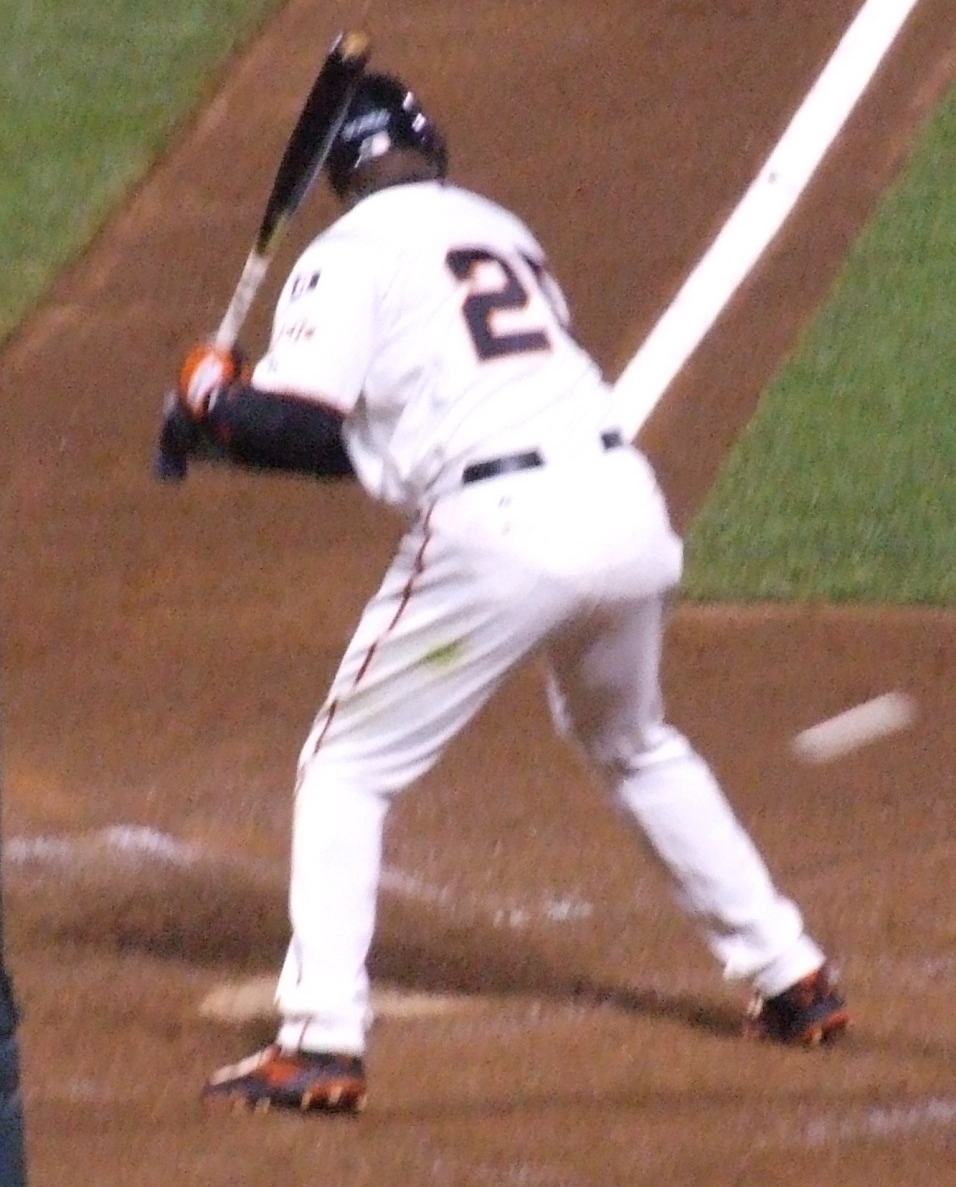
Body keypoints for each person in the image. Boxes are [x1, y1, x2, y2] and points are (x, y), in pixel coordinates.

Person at [159, 68, 848, 1115]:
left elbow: (301, 428)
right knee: (632, 740)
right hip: (624, 505)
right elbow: (378, 435)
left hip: (504, 534)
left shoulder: (343, 256)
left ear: (337, 177)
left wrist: (213, 397)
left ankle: (319, 1040)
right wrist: (224, 420)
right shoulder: (498, 230)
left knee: (345, 767)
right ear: (428, 148)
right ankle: (789, 974)